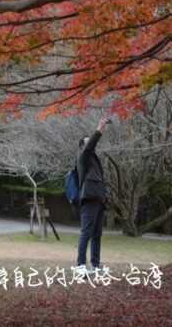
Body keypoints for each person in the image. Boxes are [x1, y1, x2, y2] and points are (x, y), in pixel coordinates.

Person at [76, 116, 111, 271]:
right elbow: (90, 145)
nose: (90, 142)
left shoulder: (93, 161)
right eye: (87, 141)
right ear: (82, 146)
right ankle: (80, 265)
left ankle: (96, 264)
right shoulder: (83, 157)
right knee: (86, 233)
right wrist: (99, 129)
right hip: (89, 199)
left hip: (98, 200)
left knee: (97, 235)